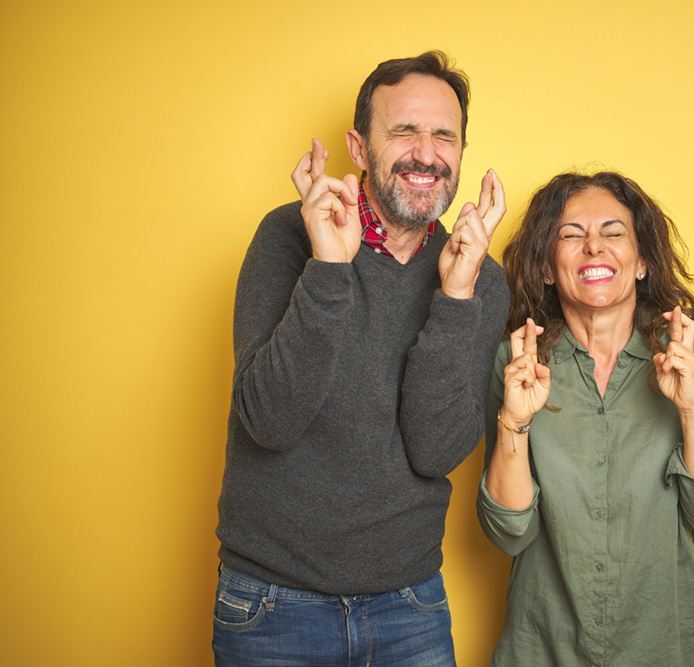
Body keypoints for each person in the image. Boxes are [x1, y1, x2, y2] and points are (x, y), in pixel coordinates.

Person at [213, 51, 510, 666]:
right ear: (359, 147)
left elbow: (434, 450)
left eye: (444, 136)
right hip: (270, 605)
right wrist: (329, 267)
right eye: (404, 131)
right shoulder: (288, 236)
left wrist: (455, 297)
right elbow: (268, 420)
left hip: (410, 606)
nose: (426, 154)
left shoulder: (480, 279)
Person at [477, 171, 694, 666]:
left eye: (613, 232)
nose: (594, 246)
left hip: (667, 650)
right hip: (543, 650)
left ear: (642, 262)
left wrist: (691, 406)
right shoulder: (517, 361)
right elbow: (508, 534)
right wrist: (514, 420)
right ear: (547, 268)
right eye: (571, 234)